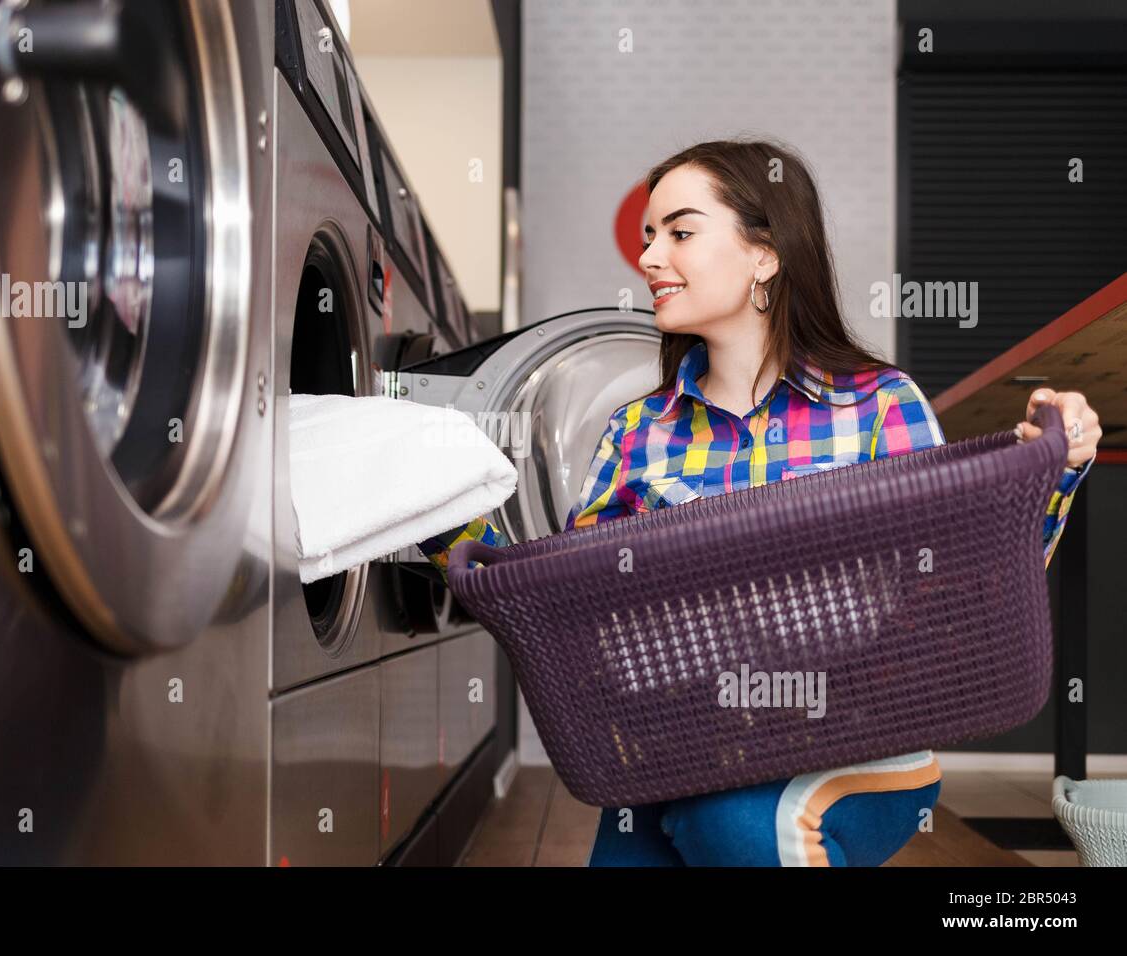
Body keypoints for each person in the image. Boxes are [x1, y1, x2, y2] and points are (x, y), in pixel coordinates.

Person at [417, 138, 1101, 866]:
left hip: (857, 737)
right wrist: (451, 527)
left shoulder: (876, 405)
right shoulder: (638, 432)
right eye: (650, 237)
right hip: (680, 744)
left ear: (765, 254)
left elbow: (969, 581)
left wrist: (1053, 468)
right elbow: (582, 617)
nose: (649, 258)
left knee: (734, 824)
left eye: (679, 232)